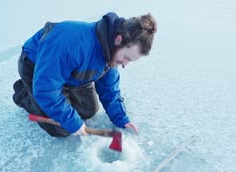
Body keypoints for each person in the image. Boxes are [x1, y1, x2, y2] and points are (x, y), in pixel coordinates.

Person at [12, 12, 157, 137]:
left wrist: (122, 119)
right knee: (62, 128)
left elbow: (110, 90)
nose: (125, 64)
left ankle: (61, 92)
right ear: (118, 40)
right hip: (37, 67)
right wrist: (73, 124)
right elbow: (46, 89)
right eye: (127, 57)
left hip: (72, 75)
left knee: (89, 110)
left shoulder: (111, 51)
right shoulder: (71, 44)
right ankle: (23, 93)